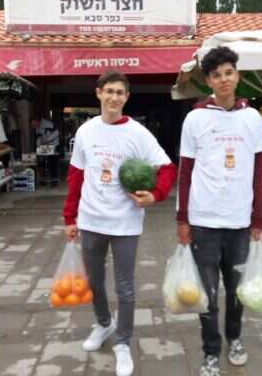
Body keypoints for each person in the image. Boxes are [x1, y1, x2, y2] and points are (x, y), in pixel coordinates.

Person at [62, 69, 177, 376]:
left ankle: (123, 342)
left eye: (119, 92)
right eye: (109, 91)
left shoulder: (138, 134)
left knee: (124, 287)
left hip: (125, 222)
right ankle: (103, 324)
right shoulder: (86, 131)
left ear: (126, 97)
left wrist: (155, 195)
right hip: (90, 219)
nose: (113, 97)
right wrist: (69, 217)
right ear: (99, 93)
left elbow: (167, 168)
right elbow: (75, 177)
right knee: (94, 282)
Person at [176, 47, 262, 376]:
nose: (224, 79)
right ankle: (211, 351)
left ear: (237, 76)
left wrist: (257, 217)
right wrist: (182, 219)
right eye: (216, 75)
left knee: (238, 290)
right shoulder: (196, 118)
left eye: (229, 73)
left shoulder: (251, 118)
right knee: (208, 294)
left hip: (239, 221)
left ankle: (235, 339)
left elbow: (258, 171)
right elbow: (185, 172)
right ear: (209, 81)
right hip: (203, 221)